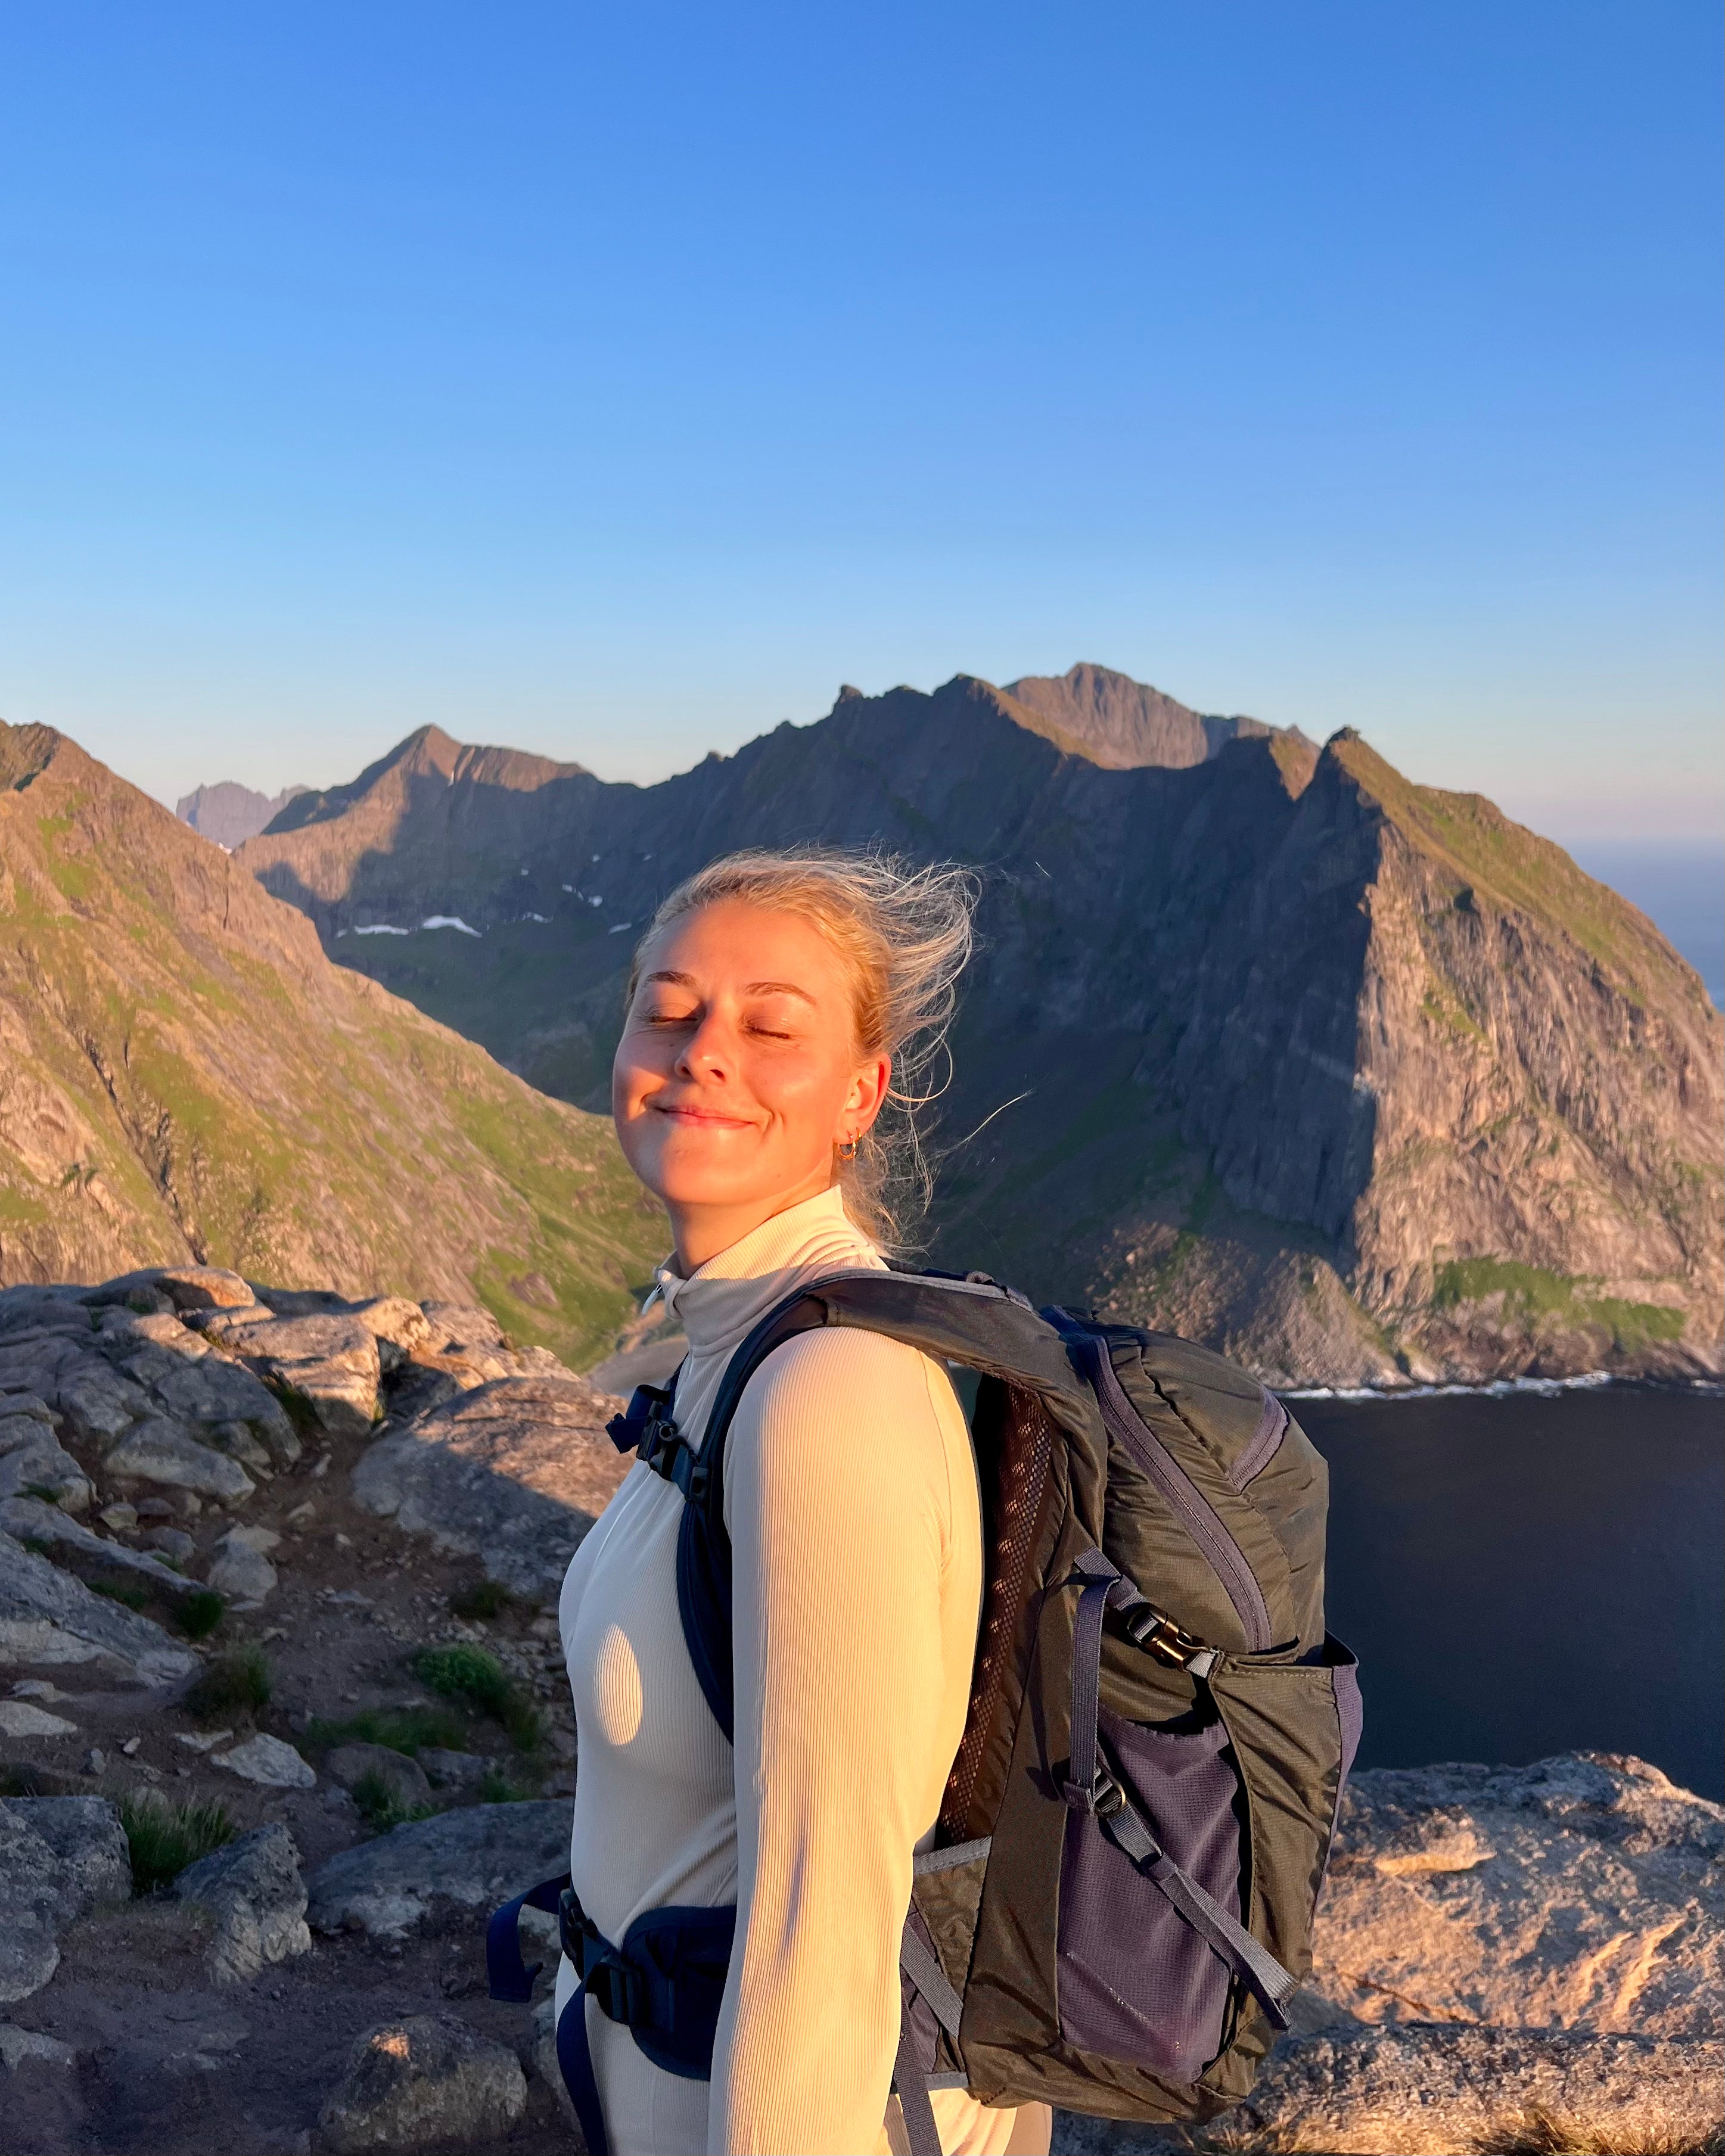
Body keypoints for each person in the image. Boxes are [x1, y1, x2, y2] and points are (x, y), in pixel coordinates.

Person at [556, 849, 1053, 2156]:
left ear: (858, 1093)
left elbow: (828, 1941)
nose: (703, 1049)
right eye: (668, 1008)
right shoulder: (728, 1346)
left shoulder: (828, 1393)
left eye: (771, 1026)